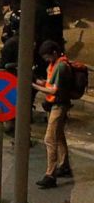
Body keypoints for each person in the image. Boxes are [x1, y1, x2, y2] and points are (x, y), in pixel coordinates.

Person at [33, 40, 73, 188]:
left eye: (47, 57)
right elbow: (49, 83)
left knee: (49, 139)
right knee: (59, 135)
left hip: (59, 106)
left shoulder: (61, 66)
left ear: (54, 53)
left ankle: (50, 174)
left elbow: (53, 90)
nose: (46, 60)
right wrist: (37, 80)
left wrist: (34, 85)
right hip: (55, 105)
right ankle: (64, 165)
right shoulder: (55, 65)